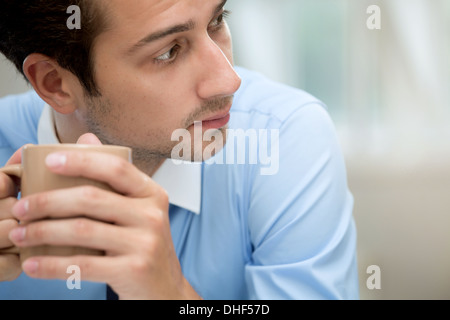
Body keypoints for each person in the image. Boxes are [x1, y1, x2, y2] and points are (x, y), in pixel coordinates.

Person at [0, 0, 359, 300]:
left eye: (217, 20)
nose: (229, 79)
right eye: (169, 52)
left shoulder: (285, 138)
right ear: (55, 83)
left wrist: (170, 293)